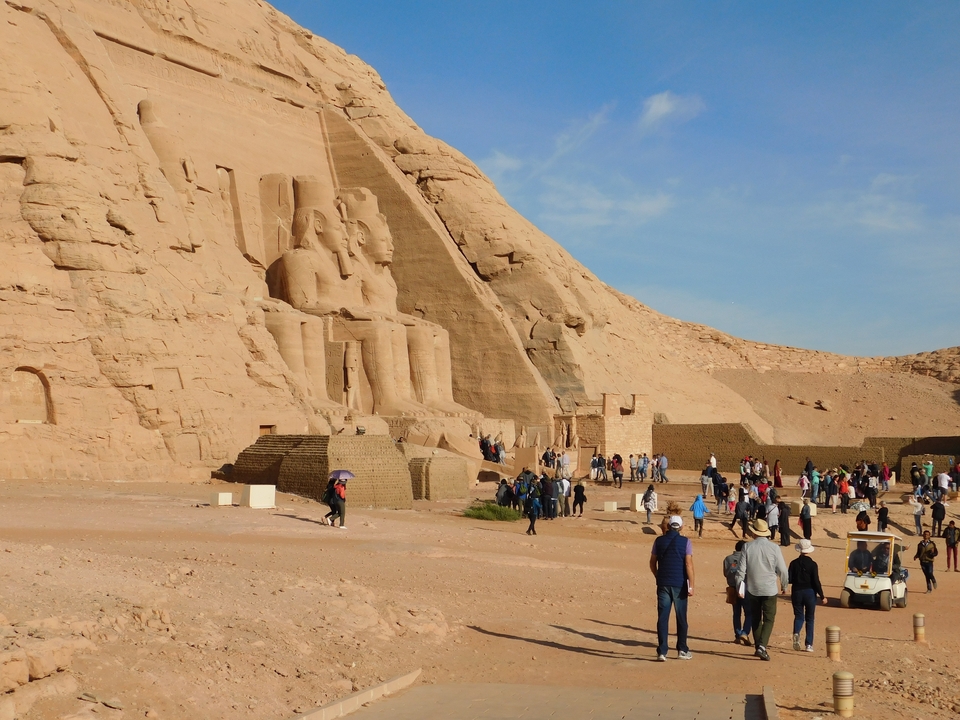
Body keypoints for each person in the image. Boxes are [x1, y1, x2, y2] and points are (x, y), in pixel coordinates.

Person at [735, 519, 788, 662]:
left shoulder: (747, 547)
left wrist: (740, 587)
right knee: (769, 619)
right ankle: (762, 647)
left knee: (756, 618)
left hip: (753, 588)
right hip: (770, 589)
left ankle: (759, 645)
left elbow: (741, 571)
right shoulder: (775, 548)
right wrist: (784, 585)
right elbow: (782, 569)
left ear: (754, 532)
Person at [650, 516, 694, 661]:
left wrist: (658, 575)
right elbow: (688, 564)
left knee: (663, 617)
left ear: (668, 526)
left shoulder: (658, 541)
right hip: (680, 584)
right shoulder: (686, 542)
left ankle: (662, 651)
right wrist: (691, 584)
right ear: (680, 527)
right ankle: (682, 649)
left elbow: (652, 562)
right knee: (681, 617)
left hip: (663, 583)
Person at [788, 539, 826, 652]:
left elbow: (789, 579)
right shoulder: (813, 564)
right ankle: (809, 644)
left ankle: (796, 632)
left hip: (797, 591)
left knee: (799, 616)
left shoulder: (793, 563)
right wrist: (822, 596)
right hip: (809, 592)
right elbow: (816, 581)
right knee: (810, 618)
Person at [723, 540, 752, 646]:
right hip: (745, 587)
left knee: (736, 613)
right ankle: (745, 632)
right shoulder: (747, 558)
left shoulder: (727, 559)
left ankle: (738, 634)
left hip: (732, 588)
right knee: (749, 613)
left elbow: (725, 573)